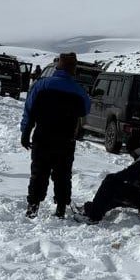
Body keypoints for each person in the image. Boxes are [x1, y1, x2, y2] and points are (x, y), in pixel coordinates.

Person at [20, 52, 91, 219]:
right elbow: (86, 109)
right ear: (73, 69)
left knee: (39, 171)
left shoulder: (42, 85)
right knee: (63, 174)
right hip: (66, 140)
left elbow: (29, 109)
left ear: (58, 66)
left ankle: (33, 206)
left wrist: (25, 132)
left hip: (42, 136)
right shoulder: (79, 91)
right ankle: (61, 208)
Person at [74, 146, 140, 224]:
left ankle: (93, 217)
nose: (132, 155)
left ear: (136, 149)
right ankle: (91, 208)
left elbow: (130, 174)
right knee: (114, 195)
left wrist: (114, 177)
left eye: (131, 152)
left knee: (110, 182)